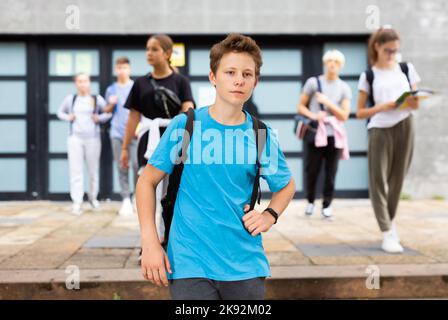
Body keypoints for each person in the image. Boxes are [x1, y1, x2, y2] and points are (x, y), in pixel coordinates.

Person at [136, 33, 296, 300]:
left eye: (247, 74)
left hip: (244, 263)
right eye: (230, 72)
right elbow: (146, 181)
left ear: (255, 81)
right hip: (189, 262)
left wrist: (270, 215)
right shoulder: (186, 126)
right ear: (213, 77)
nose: (239, 80)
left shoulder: (260, 134)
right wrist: (150, 241)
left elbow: (286, 185)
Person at [121, 34, 195, 242]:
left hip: (174, 139)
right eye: (147, 49)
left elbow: (188, 110)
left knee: (171, 192)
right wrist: (125, 148)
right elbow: (133, 118)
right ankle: (148, 240)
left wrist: (186, 140)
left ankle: (167, 238)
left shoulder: (181, 81)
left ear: (167, 53)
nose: (149, 53)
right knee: (147, 190)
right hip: (148, 140)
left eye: (154, 49)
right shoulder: (141, 84)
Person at [356, 26, 421, 253]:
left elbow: (416, 100)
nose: (392, 54)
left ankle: (391, 225)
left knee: (397, 180)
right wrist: (383, 106)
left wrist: (412, 101)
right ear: (377, 47)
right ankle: (386, 231)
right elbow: (359, 112)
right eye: (388, 50)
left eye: (395, 50)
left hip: (406, 124)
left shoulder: (406, 68)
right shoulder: (369, 75)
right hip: (380, 128)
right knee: (378, 181)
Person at [297, 50, 351, 220]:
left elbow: (344, 115)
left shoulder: (344, 87)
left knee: (331, 172)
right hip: (314, 132)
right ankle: (310, 202)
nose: (332, 64)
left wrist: (327, 103)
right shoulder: (313, 83)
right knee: (311, 170)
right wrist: (314, 116)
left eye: (336, 61)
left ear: (340, 65)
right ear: (325, 63)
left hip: (334, 135)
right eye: (329, 60)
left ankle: (327, 205)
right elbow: (300, 106)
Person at [57, 73, 111, 215]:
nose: (82, 84)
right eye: (79, 81)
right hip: (75, 138)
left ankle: (93, 198)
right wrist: (68, 117)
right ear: (76, 83)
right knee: (76, 171)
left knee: (93, 170)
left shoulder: (96, 98)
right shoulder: (71, 99)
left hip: (93, 138)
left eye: (85, 81)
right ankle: (77, 202)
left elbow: (108, 113)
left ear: (89, 83)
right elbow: (60, 113)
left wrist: (98, 118)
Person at [104, 56, 137, 216]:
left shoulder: (135, 87)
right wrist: (111, 103)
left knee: (138, 166)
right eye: (119, 68)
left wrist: (138, 127)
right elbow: (106, 111)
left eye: (124, 67)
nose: (121, 71)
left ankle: (138, 197)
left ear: (129, 69)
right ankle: (126, 199)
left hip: (134, 134)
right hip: (117, 133)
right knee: (122, 166)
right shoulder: (111, 89)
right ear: (115, 70)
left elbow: (141, 110)